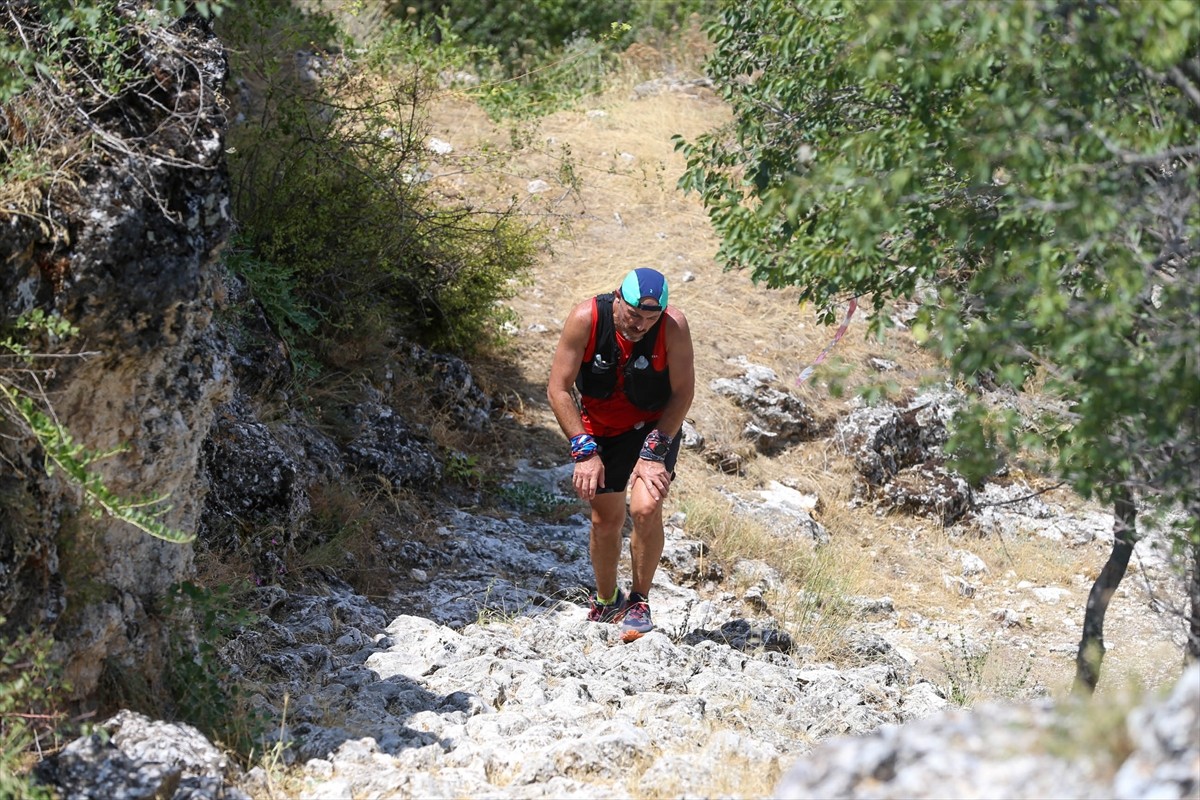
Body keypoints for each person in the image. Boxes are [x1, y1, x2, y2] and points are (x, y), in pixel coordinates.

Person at [546, 267, 695, 642]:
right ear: (617, 298)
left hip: (653, 427)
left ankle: (639, 601)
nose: (640, 325)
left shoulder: (673, 327)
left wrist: (655, 451)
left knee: (645, 507)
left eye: (649, 318)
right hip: (600, 429)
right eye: (633, 315)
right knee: (605, 520)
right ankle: (607, 600)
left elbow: (683, 393)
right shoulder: (586, 319)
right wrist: (583, 450)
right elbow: (558, 388)